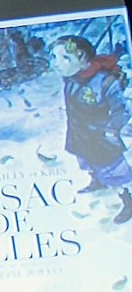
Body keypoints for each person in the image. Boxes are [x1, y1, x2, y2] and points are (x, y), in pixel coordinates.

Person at [48, 35, 132, 224]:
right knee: (85, 159)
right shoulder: (71, 79)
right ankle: (97, 181)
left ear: (82, 57)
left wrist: (111, 130)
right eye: (54, 57)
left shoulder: (104, 82)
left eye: (65, 58)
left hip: (101, 136)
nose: (57, 64)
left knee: (113, 170)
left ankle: (127, 199)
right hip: (79, 133)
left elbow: (122, 110)